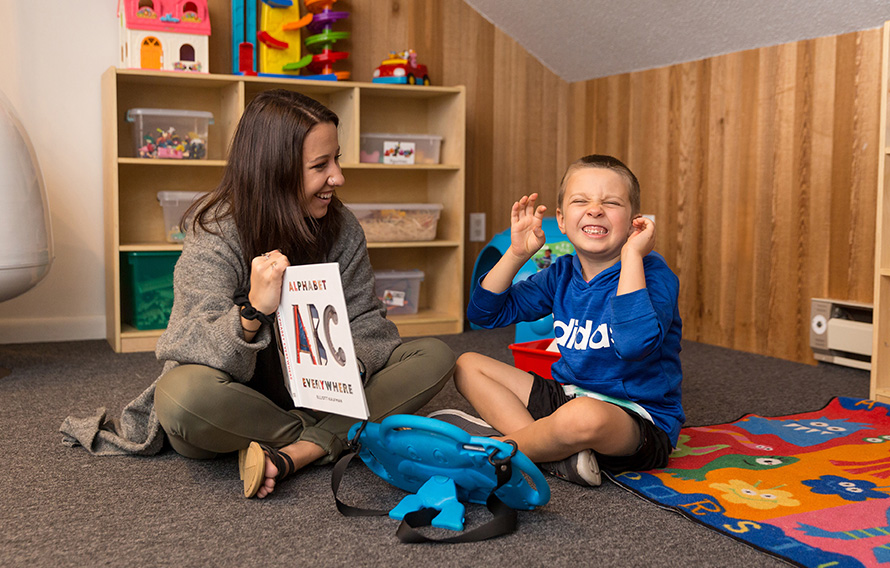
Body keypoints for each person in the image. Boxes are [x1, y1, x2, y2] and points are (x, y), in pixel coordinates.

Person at [60, 89, 456, 499]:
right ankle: (327, 439)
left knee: (435, 355)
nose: (338, 176)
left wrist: (350, 367)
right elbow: (187, 340)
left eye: (336, 159)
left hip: (325, 399)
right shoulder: (215, 229)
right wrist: (253, 311)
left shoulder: (343, 228)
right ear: (275, 172)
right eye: (321, 165)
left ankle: (294, 451)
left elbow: (368, 321)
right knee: (180, 398)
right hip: (239, 403)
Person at [446, 154, 683, 487]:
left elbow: (633, 346)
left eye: (611, 202)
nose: (595, 209)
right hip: (568, 396)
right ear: (560, 219)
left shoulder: (655, 275)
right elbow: (485, 314)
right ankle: (550, 450)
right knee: (467, 364)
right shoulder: (560, 273)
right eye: (581, 200)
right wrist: (516, 254)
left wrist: (632, 255)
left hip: (637, 419)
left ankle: (498, 452)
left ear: (634, 223)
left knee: (584, 415)